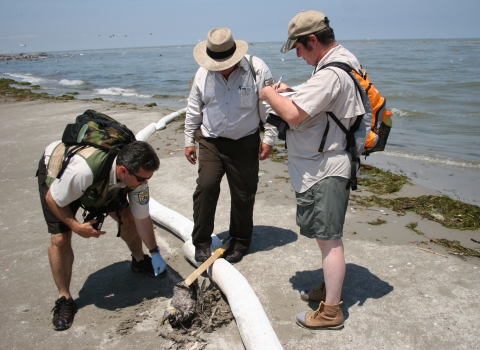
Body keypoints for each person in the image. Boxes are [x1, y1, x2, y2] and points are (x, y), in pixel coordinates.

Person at [259, 10, 366, 330]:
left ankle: (331, 311)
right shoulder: (343, 60)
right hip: (325, 163)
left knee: (330, 240)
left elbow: (292, 115)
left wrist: (268, 93)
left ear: (313, 41)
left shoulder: (330, 74)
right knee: (324, 237)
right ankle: (329, 289)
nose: (296, 54)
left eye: (299, 48)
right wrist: (295, 91)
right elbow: (323, 103)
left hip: (326, 168)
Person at [37, 140, 167, 331]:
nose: (145, 183)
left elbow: (142, 218)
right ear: (124, 171)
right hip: (59, 177)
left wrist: (155, 252)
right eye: (141, 179)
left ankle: (139, 261)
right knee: (61, 238)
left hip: (103, 182)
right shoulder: (83, 172)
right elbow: (53, 199)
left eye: (148, 178)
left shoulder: (137, 177)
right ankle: (64, 298)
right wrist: (77, 226)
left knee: (128, 217)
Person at [185, 28, 277, 264]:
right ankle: (202, 242)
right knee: (206, 188)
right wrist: (188, 141)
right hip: (210, 141)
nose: (219, 67)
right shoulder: (202, 74)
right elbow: (194, 109)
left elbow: (270, 107)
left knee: (243, 195)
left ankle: (240, 241)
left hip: (245, 142)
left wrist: (268, 138)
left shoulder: (257, 69)